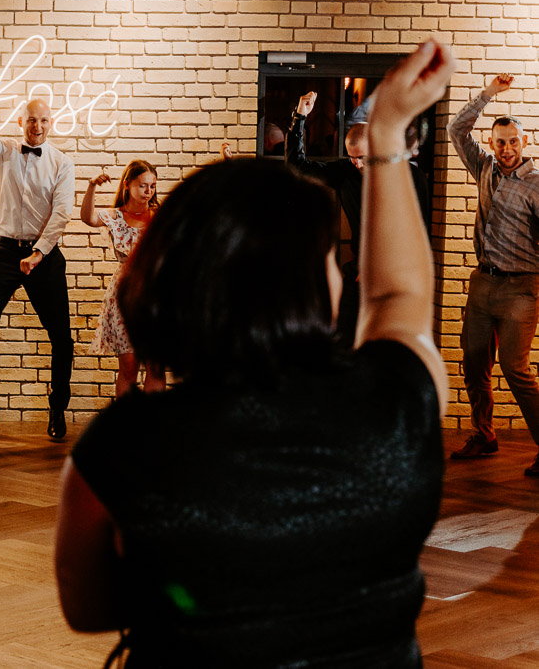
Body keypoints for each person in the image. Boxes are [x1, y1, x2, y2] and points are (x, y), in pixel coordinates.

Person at [55, 39, 452, 667]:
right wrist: (387, 133)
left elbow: (87, 608)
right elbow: (399, 294)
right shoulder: (392, 406)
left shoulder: (123, 443)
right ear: (310, 287)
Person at [0, 61, 76, 440]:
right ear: (21, 121)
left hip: (44, 255)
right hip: (6, 251)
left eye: (43, 120)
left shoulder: (62, 163)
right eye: (31, 120)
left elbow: (62, 214)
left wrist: (39, 253)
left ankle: (57, 408)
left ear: (51, 124)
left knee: (62, 338)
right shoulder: (6, 151)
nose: (37, 126)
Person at [446, 73, 539, 474]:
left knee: (515, 370)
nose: (507, 149)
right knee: (473, 363)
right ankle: (484, 435)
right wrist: (487, 95)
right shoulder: (484, 168)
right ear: (491, 143)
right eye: (500, 142)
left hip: (521, 289)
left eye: (513, 141)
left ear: (524, 141)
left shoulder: (536, 185)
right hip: (483, 283)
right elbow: (456, 129)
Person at [287, 90, 431, 347]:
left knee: (390, 345)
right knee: (345, 340)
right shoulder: (346, 172)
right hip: (358, 274)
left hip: (396, 279)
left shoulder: (410, 177)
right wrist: (300, 118)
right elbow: (298, 167)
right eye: (352, 158)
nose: (357, 164)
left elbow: (418, 233)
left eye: (362, 158)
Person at [80, 161, 166, 397]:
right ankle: (128, 420)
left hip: (156, 294)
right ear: (127, 185)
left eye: (152, 186)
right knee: (129, 366)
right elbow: (88, 218)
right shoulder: (116, 216)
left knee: (156, 367)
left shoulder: (160, 216)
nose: (148, 191)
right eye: (143, 186)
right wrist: (91, 186)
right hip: (126, 294)